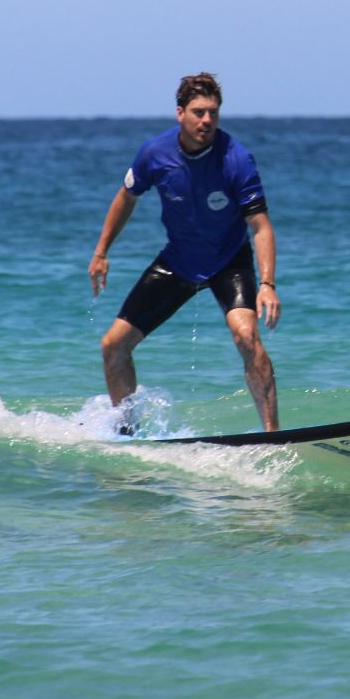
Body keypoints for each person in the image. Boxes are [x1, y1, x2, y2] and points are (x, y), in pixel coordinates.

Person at [88, 73, 281, 432]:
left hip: (228, 262)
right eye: (198, 112)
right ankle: (126, 432)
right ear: (180, 113)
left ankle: (274, 434)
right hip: (178, 262)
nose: (206, 120)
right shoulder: (154, 153)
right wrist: (101, 252)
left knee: (246, 335)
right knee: (113, 345)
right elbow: (126, 198)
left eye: (213, 112)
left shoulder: (236, 159)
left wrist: (267, 283)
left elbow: (260, 225)